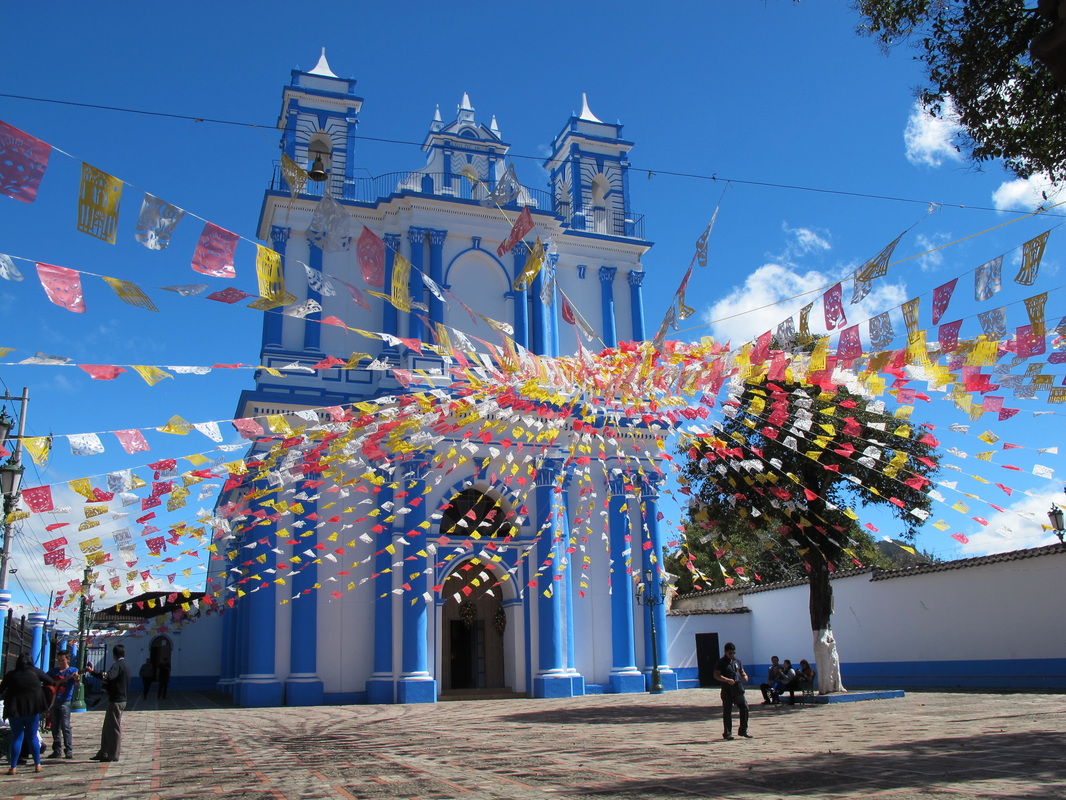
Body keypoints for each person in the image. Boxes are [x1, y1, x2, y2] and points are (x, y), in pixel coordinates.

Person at [0, 652, 54, 775]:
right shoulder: (35, 672)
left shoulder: (11, 675)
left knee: (17, 738)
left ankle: (13, 767)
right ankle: (37, 765)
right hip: (32, 710)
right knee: (32, 737)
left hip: (15, 711)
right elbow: (50, 681)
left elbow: (1, 690)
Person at [86, 644, 130, 763]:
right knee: (107, 727)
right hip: (120, 699)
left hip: (116, 700)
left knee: (114, 728)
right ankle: (104, 752)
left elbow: (109, 676)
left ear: (114, 655)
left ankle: (113, 754)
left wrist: (93, 672)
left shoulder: (118, 665)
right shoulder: (126, 665)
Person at [713, 642, 751, 740]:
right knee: (727, 710)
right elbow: (716, 675)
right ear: (725, 652)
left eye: (733, 653)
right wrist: (726, 680)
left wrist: (744, 676)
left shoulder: (737, 661)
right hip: (727, 688)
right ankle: (727, 733)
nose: (732, 655)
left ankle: (743, 730)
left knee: (744, 707)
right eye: (730, 653)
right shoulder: (721, 662)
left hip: (737, 687)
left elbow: (742, 672)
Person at [47, 650, 80, 759]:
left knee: (65, 726)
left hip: (65, 701)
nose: (61, 662)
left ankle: (68, 750)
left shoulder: (72, 670)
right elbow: (46, 680)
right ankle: (57, 750)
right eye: (59, 660)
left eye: (63, 660)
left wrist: (76, 679)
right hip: (54, 701)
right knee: (55, 727)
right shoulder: (53, 672)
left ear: (68, 660)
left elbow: (77, 684)